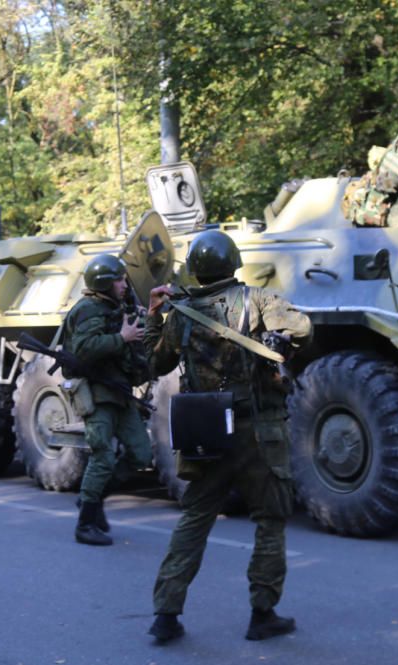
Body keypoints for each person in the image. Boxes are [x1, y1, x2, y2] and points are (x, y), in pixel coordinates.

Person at [143, 229, 312, 643]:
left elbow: (154, 363)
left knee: (194, 519)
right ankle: (263, 613)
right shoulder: (257, 300)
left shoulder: (180, 314)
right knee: (269, 520)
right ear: (233, 262)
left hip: (207, 430)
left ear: (196, 271)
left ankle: (165, 614)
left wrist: (153, 316)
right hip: (258, 432)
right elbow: (303, 328)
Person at [64, 253, 151, 546]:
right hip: (98, 395)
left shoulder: (116, 307)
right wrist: (122, 339)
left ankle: (93, 495)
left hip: (120, 393)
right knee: (102, 456)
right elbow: (84, 349)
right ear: (104, 282)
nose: (124, 284)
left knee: (142, 454)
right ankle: (85, 524)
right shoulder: (88, 309)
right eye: (119, 279)